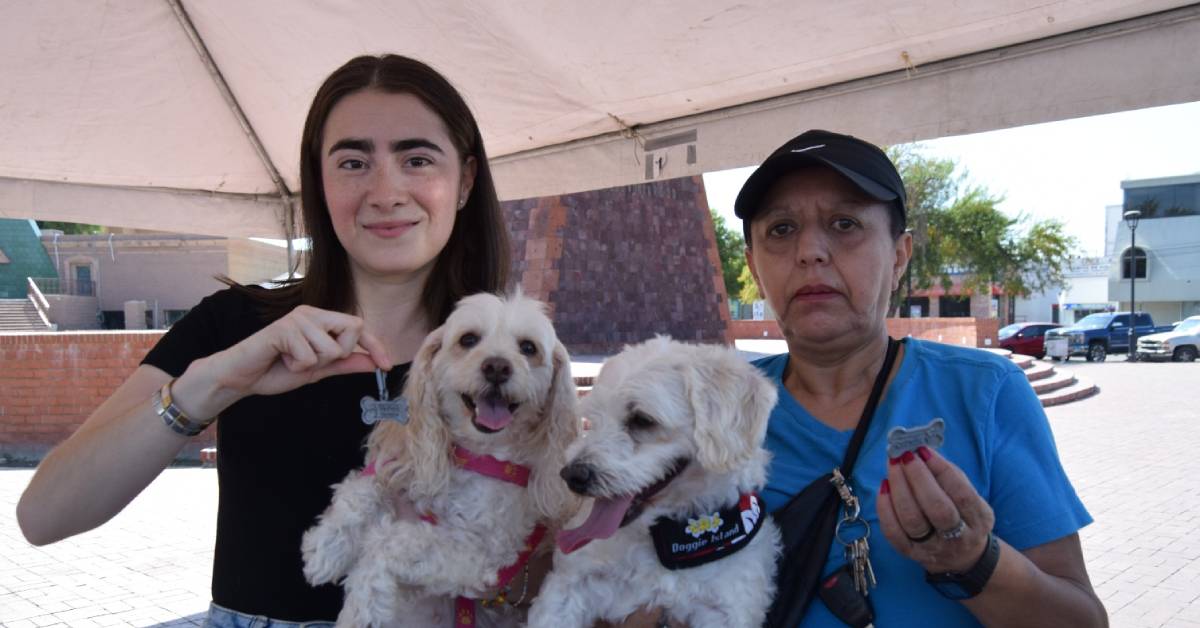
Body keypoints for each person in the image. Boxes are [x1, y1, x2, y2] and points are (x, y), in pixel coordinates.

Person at [16, 54, 510, 625]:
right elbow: (43, 516)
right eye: (353, 163)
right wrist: (211, 385)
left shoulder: (508, 360)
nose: (385, 192)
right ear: (318, 183)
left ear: (465, 180)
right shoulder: (234, 326)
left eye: (417, 160)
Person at [736, 130, 1108, 627]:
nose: (810, 252)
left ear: (899, 255)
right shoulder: (711, 411)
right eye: (781, 229)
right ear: (753, 268)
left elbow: (1081, 621)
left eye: (845, 223)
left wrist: (974, 561)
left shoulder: (985, 393)